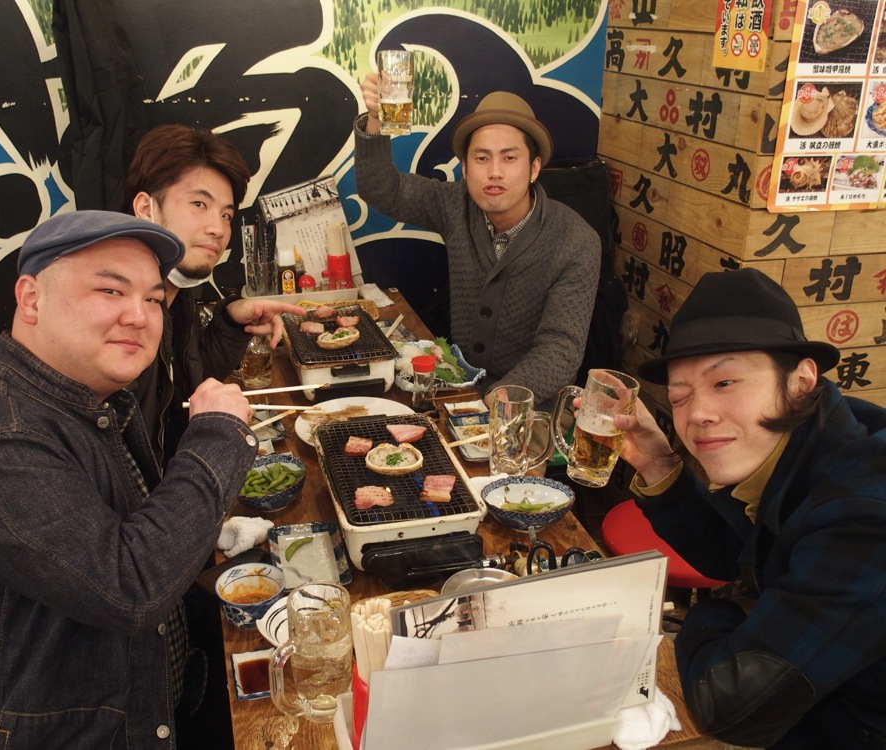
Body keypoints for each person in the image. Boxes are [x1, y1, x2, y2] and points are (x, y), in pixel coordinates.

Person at [0, 211, 259, 748]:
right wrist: (220, 435)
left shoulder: (85, 399)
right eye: (110, 290)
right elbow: (132, 587)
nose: (139, 316)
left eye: (153, 299)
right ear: (31, 298)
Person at [615, 268, 886, 748]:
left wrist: (725, 607)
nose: (698, 413)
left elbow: (730, 705)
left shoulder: (863, 515)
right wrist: (659, 465)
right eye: (680, 395)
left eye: (725, 382)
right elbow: (730, 556)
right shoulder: (802, 445)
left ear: (801, 380)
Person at [354, 77, 600, 408]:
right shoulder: (454, 203)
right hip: (460, 387)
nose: (495, 172)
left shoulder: (577, 241)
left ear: (534, 168)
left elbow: (561, 347)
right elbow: (382, 189)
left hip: (531, 406)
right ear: (466, 168)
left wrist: (502, 397)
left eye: (509, 158)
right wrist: (375, 120)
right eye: (482, 159)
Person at [121, 124, 304, 465]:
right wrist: (214, 438)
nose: (218, 229)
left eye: (226, 214)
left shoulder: (177, 295)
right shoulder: (121, 320)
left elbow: (187, 383)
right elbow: (128, 476)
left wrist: (231, 322)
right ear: (146, 208)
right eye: (199, 204)